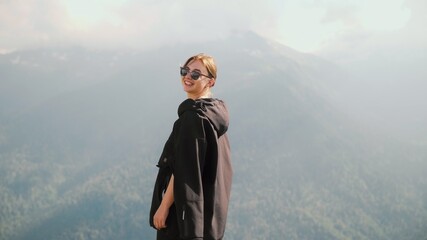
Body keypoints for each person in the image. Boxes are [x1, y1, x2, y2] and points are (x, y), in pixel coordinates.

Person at [149, 53, 233, 240]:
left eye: (196, 74)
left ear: (210, 82)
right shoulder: (215, 116)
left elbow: (183, 170)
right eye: (184, 71)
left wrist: (163, 207)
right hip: (207, 216)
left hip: (183, 217)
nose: (187, 76)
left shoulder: (193, 118)